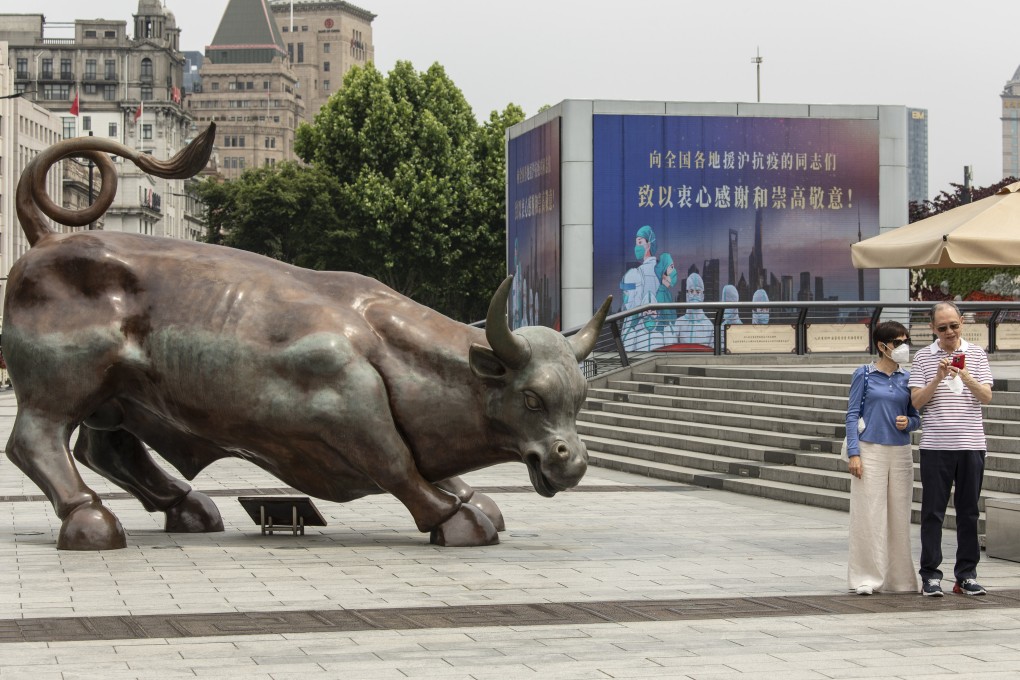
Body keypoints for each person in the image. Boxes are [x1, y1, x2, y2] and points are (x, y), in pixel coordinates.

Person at [909, 301, 994, 597]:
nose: (948, 332)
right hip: (936, 446)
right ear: (932, 328)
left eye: (953, 325)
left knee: (969, 512)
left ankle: (966, 575)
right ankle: (931, 575)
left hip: (971, 444)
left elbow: (986, 396)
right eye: (942, 327)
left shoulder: (977, 354)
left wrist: (965, 374)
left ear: (962, 323)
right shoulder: (922, 357)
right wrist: (938, 377)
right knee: (932, 512)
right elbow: (917, 402)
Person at [845, 321, 921, 596]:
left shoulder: (908, 378)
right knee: (868, 515)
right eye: (898, 343)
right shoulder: (864, 375)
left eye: (905, 341)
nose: (903, 348)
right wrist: (854, 452)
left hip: (900, 452)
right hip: (869, 450)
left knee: (899, 516)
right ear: (882, 346)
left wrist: (909, 423)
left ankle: (900, 580)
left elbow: (916, 416)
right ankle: (866, 577)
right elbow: (852, 414)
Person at [676, 272, 714, 347]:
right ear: (687, 294)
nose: (694, 294)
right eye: (691, 291)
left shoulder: (709, 325)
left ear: (703, 296)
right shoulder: (679, 323)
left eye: (698, 291)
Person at [653, 253, 679, 347]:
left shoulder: (666, 292)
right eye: (671, 267)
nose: (674, 271)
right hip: (663, 337)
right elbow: (664, 319)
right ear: (664, 271)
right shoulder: (661, 294)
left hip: (669, 334)